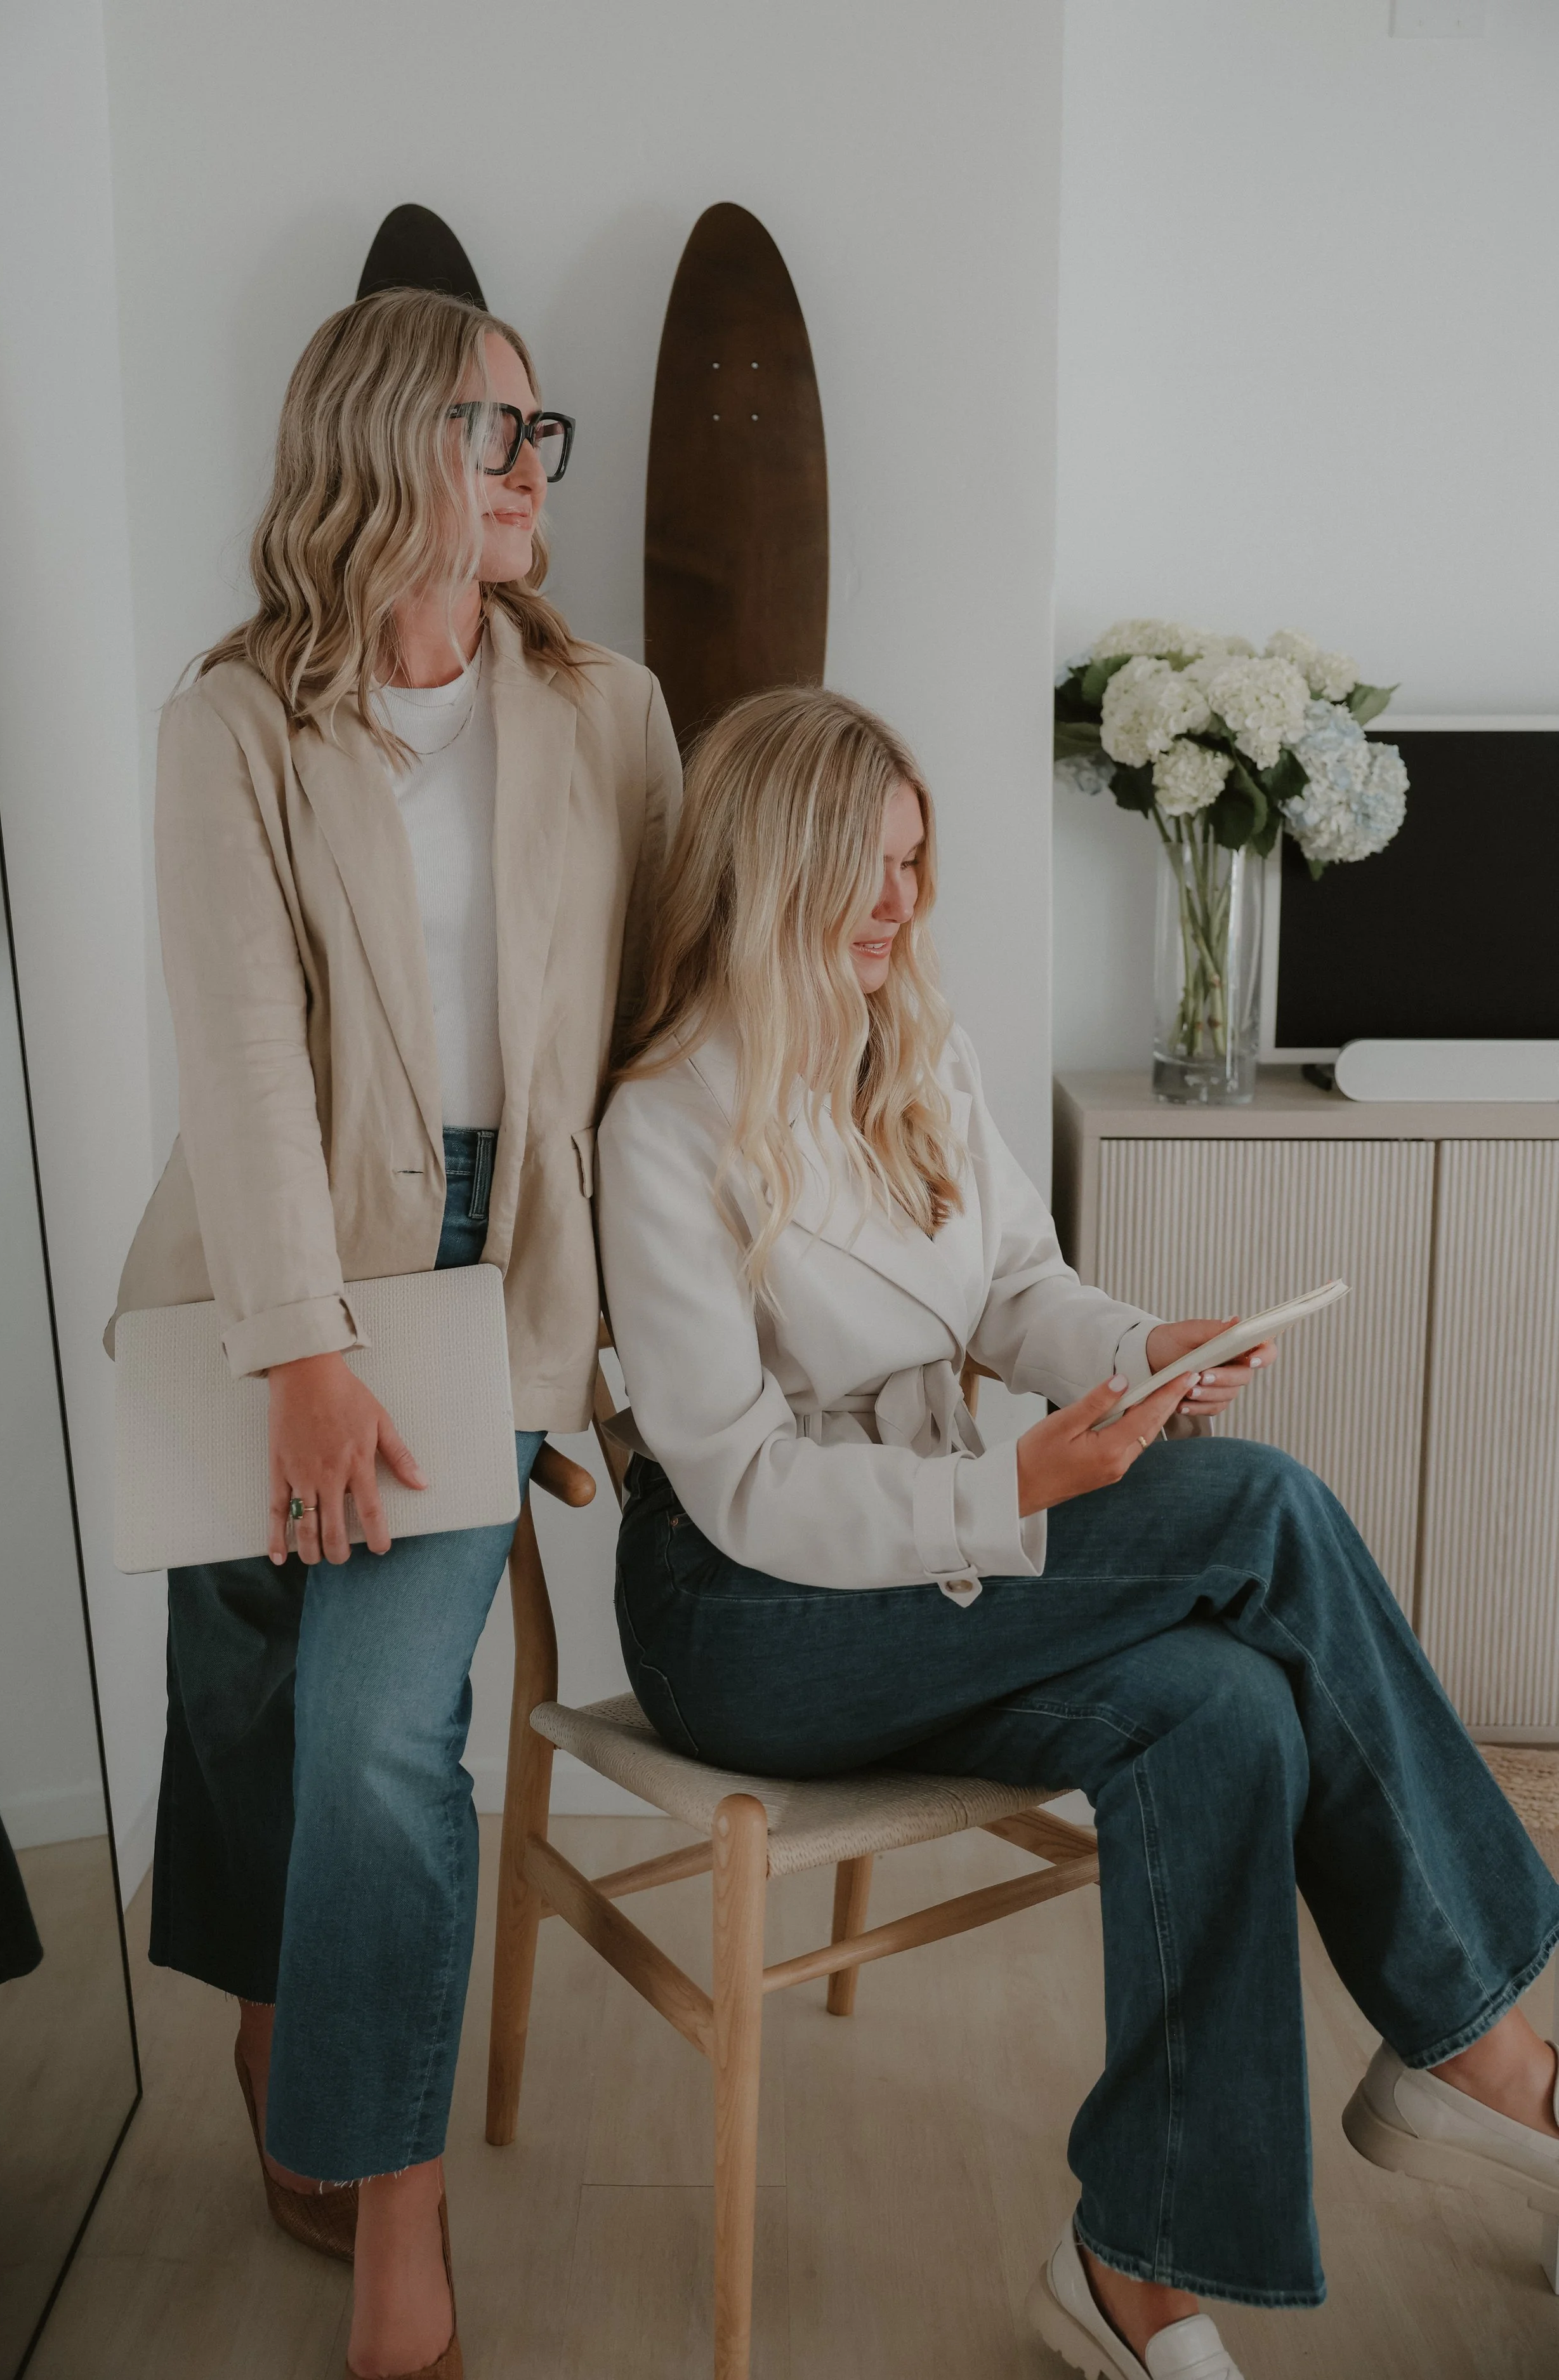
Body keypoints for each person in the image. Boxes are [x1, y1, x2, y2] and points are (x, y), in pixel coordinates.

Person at [594, 685, 1559, 2380]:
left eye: (911, 863)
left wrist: (1138, 1351)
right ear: (765, 873)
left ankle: (1130, 2266)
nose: (899, 905)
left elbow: (1018, 1289)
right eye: (861, 870)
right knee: (1265, 1506)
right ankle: (1477, 2043)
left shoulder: (917, 1049)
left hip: (926, 1575)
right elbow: (741, 1481)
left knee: (1229, 1706)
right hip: (742, 1614)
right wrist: (1013, 1488)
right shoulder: (663, 1122)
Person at [109, 286, 679, 2380]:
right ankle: (276, 2008)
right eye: (496, 429)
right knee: (251, 1685)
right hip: (267, 1269)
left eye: (545, 437)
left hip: (487, 1265)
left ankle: (396, 2224)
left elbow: (649, 1033)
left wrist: (612, 1326)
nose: (536, 470)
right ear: (376, 446)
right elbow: (243, 1056)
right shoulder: (234, 722)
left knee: (377, 1725)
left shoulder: (607, 710)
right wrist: (300, 1348)